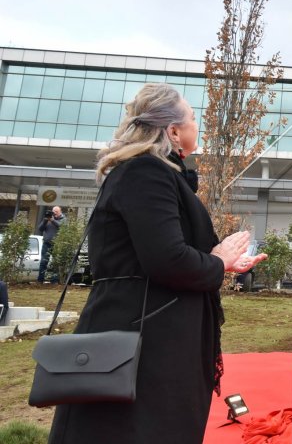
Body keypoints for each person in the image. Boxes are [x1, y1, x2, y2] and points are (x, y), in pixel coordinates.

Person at [48, 83, 267, 444]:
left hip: (151, 332)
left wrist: (226, 263)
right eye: (194, 119)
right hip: (144, 343)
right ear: (174, 131)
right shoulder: (145, 173)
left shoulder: (154, 174)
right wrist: (215, 261)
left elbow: (166, 250)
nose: (200, 127)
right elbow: (167, 259)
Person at [37, 205, 65, 283]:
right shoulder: (47, 219)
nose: (55, 213)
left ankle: (54, 281)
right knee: (43, 262)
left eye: (57, 211)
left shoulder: (63, 219)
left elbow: (62, 226)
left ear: (60, 212)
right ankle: (40, 280)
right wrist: (45, 221)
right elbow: (40, 229)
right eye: (54, 211)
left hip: (57, 244)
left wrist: (52, 220)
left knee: (55, 262)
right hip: (46, 243)